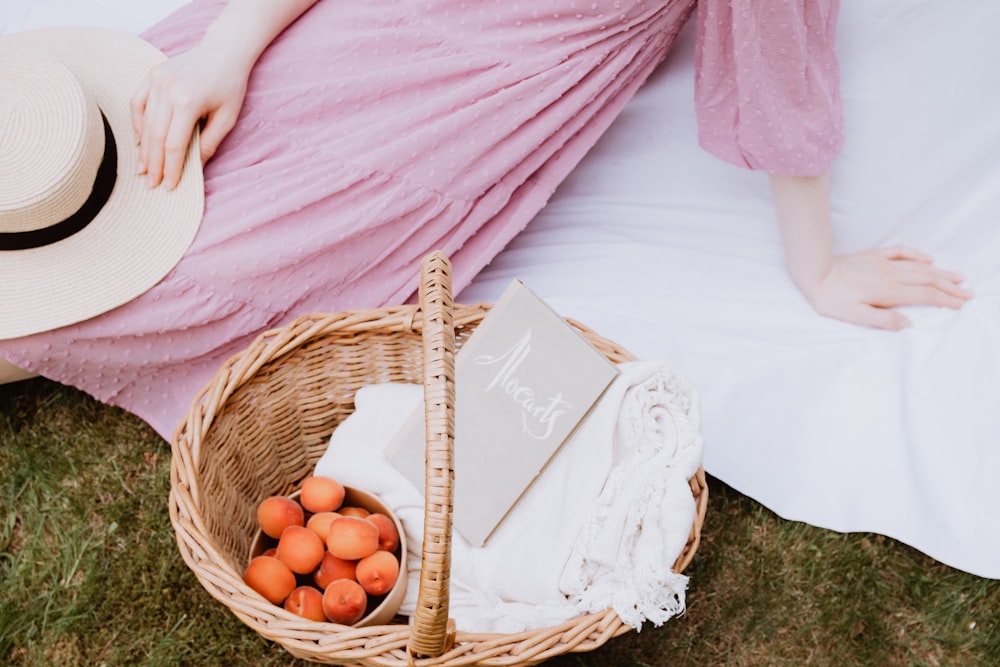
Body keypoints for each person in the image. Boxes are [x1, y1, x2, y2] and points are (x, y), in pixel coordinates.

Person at [0, 0, 971, 438]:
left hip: (461, 101)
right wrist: (231, 41)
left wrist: (819, 266)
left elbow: (775, 73)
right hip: (343, 26)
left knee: (187, 264)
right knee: (102, 162)